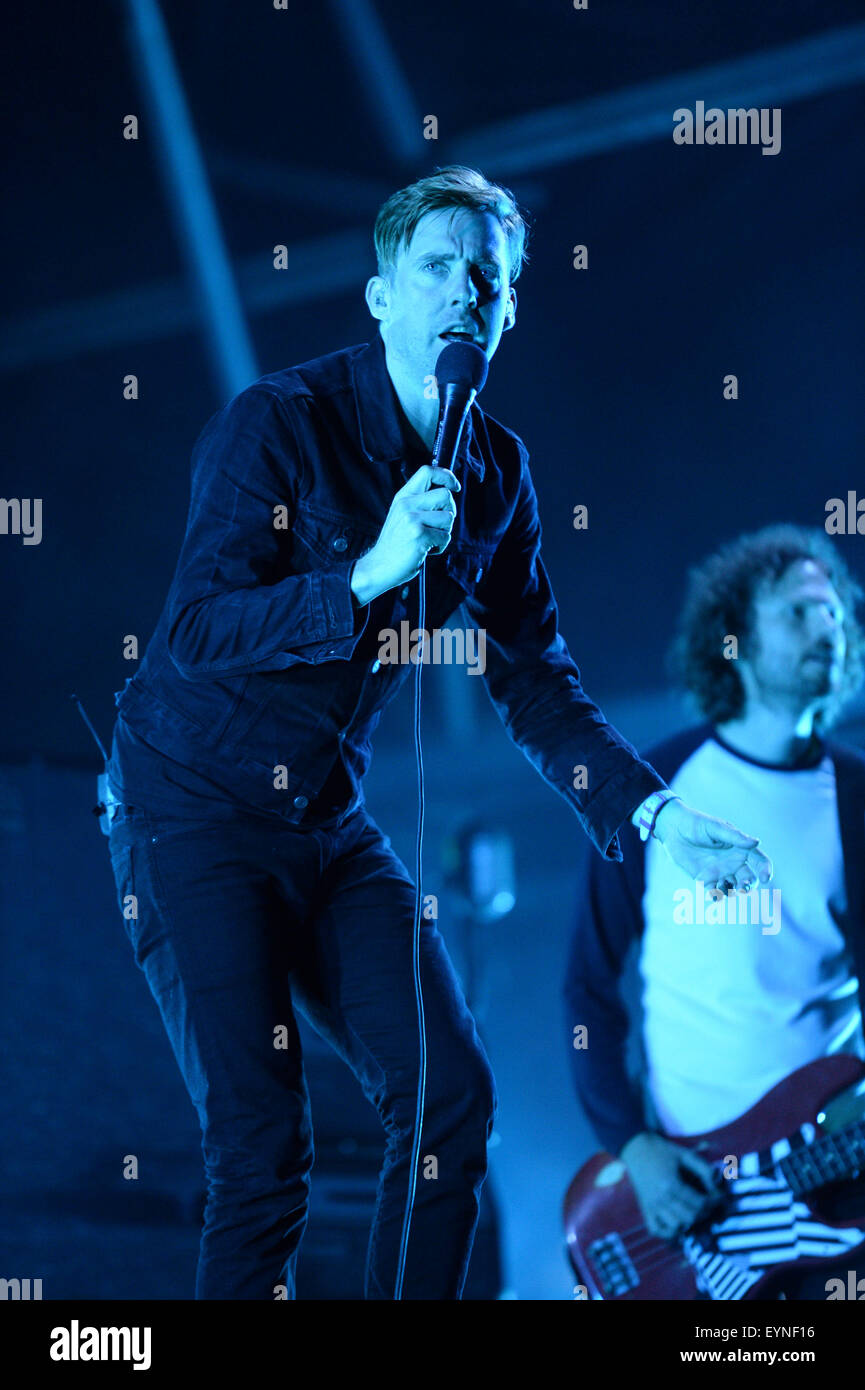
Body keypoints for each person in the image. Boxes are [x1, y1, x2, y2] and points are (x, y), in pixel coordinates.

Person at [105, 165, 770, 1300]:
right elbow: (196, 632)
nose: (463, 291)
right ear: (379, 296)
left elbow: (538, 685)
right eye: (436, 268)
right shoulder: (279, 424)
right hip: (190, 807)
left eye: (487, 276)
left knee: (451, 1100)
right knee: (262, 1149)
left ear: (507, 308)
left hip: (323, 810)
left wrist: (652, 815)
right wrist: (366, 573)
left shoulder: (495, 471)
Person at [564, 524, 865, 1299]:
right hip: (688, 1197)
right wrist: (633, 1146)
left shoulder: (857, 797)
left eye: (832, 611)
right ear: (732, 638)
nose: (824, 626)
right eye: (795, 614)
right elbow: (587, 991)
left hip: (838, 1179)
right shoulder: (657, 788)